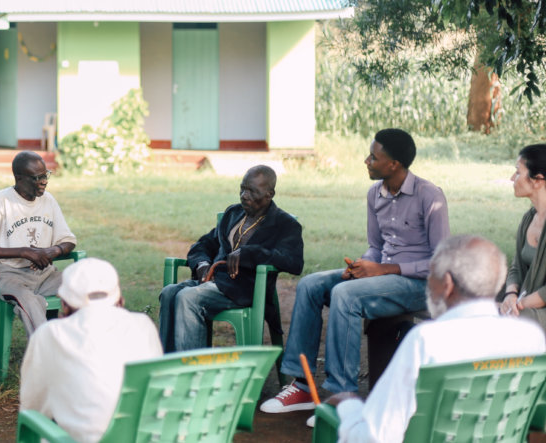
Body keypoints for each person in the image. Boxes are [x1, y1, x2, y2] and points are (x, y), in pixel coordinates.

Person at [262, 128, 449, 421]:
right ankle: (302, 386)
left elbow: (441, 262)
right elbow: (377, 247)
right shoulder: (375, 194)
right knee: (311, 285)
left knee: (345, 295)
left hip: (418, 285)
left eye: (373, 157)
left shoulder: (429, 196)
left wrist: (384, 269)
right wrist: (362, 266)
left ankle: (342, 395)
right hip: (383, 278)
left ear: (394, 164)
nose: (366, 161)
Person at [330, 235, 545, 442]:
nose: (428, 286)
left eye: (431, 276)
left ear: (447, 284)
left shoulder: (426, 341)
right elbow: (538, 422)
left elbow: (375, 436)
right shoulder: (531, 338)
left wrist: (348, 407)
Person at [157, 165, 303, 351]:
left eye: (252, 191)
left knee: (188, 297)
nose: (244, 195)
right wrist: (201, 264)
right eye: (242, 188)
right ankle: (169, 366)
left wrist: (250, 253)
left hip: (245, 291)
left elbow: (294, 262)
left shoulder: (285, 224)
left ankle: (194, 373)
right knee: (169, 292)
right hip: (213, 282)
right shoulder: (233, 214)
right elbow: (202, 245)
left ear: (269, 194)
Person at [19, 258, 162, 443]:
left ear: (64, 304)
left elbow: (33, 408)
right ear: (120, 300)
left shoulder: (50, 333)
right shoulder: (143, 325)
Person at [0, 151, 77, 334]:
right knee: (30, 301)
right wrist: (24, 252)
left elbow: (68, 240)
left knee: (81, 286)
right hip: (10, 276)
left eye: (45, 175)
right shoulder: (3, 200)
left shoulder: (48, 200)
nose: (44, 181)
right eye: (37, 177)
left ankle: (83, 345)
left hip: (45, 276)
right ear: (19, 178)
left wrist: (54, 250)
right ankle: (46, 354)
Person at [501, 144, 546, 328]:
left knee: (504, 321)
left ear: (538, 180)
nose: (512, 178)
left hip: (534, 308)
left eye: (518, 172)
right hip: (525, 303)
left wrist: (518, 305)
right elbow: (516, 267)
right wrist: (510, 295)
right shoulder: (529, 218)